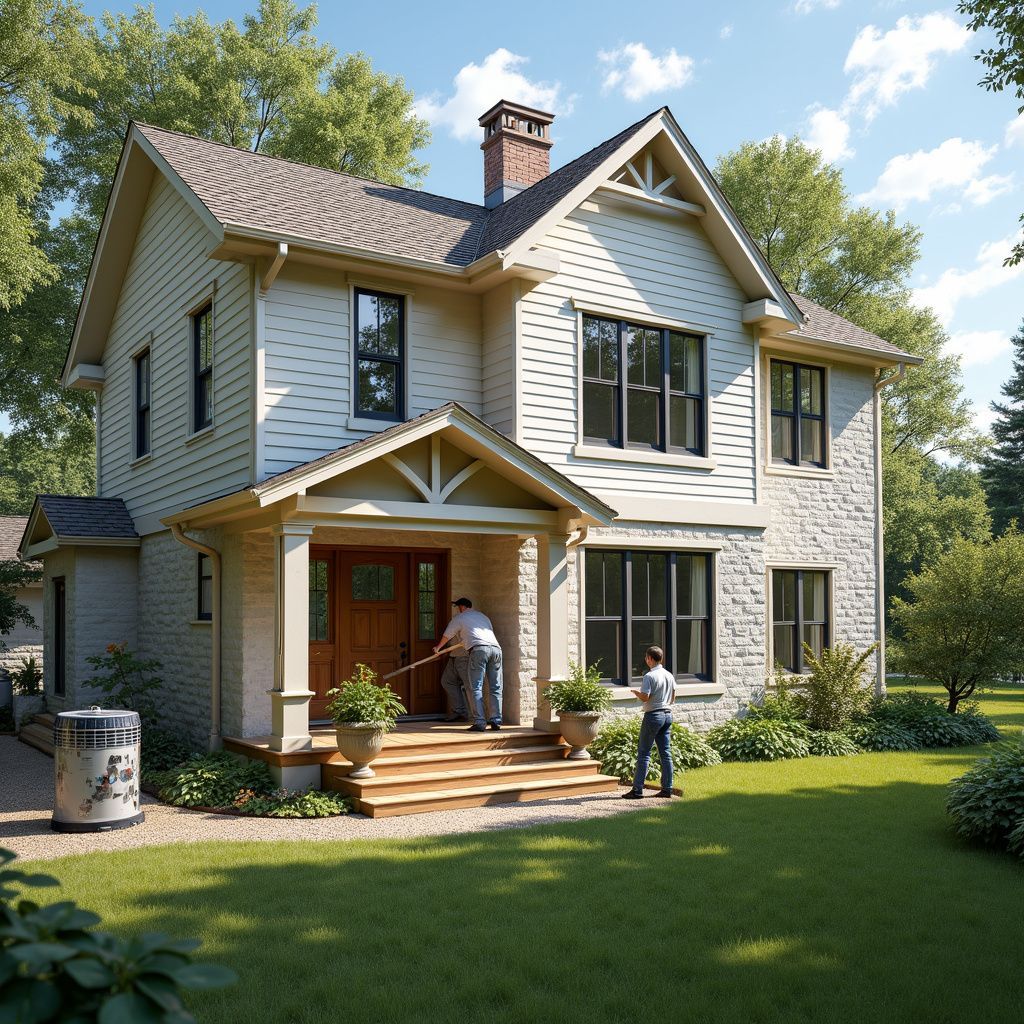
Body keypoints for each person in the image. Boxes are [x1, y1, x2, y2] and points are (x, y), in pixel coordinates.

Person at [433, 598, 503, 731]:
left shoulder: (460, 618)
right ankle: (496, 720)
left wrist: (438, 648)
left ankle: (480, 722)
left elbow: (448, 634)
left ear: (462, 607)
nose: (458, 609)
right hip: (496, 649)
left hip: (478, 650)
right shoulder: (483, 617)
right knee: (496, 687)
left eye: (458, 607)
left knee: (475, 687)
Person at [623, 645, 676, 799]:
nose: (646, 660)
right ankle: (667, 789)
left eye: (646, 657)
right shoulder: (669, 675)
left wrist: (636, 693)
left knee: (644, 753)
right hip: (667, 715)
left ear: (650, 659)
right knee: (665, 754)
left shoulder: (649, 676)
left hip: (653, 716)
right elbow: (673, 698)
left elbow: (645, 697)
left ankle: (637, 790)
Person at [439, 641, 471, 722]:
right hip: (453, 656)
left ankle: (478, 717)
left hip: (464, 657)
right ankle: (459, 711)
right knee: (447, 681)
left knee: (470, 686)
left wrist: (438, 648)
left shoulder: (456, 627)